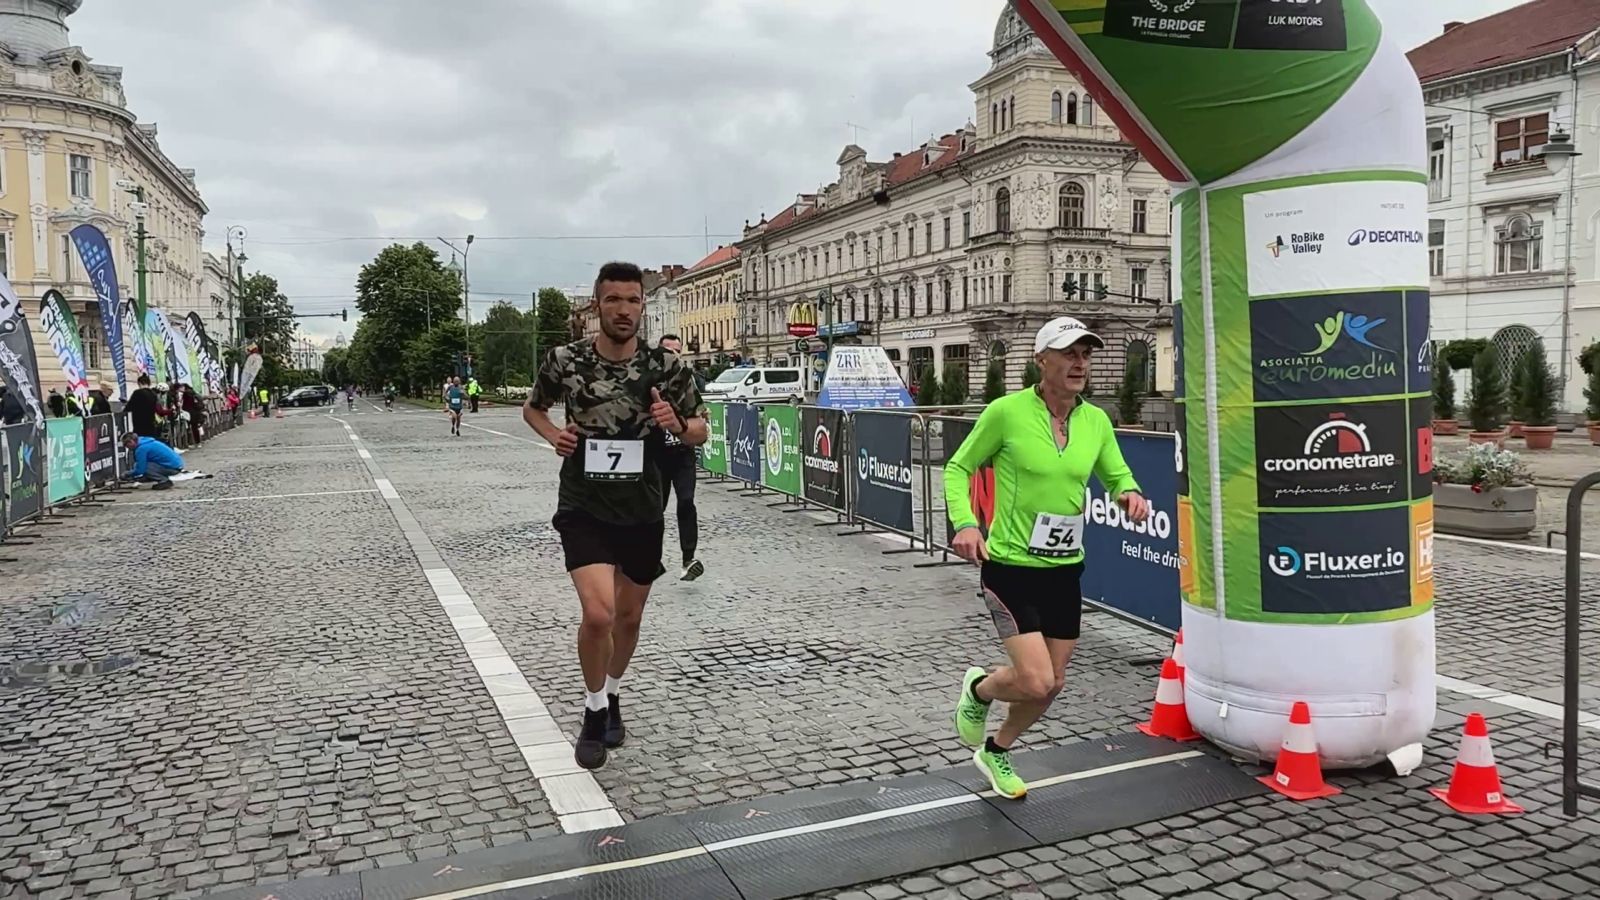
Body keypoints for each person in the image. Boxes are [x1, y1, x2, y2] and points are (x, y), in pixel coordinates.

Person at [943, 317, 1151, 800]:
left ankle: (996, 749)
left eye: (1086, 354)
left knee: (1053, 683)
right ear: (1042, 360)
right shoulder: (1006, 412)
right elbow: (958, 467)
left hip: (1064, 570)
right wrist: (966, 522)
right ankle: (979, 689)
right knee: (1035, 681)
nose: (1080, 363)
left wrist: (1129, 494)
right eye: (1069, 353)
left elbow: (1117, 475)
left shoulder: (1095, 421)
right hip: (1011, 568)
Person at [524, 261, 707, 771]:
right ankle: (593, 710)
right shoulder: (566, 360)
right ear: (597, 305)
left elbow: (700, 430)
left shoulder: (666, 366)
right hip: (583, 503)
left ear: (642, 306)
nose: (623, 310)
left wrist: (676, 424)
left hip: (643, 505)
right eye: (613, 300)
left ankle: (613, 692)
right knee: (599, 613)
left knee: (628, 617)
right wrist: (553, 436)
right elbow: (534, 408)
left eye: (632, 300)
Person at [654, 334, 707, 581]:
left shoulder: (687, 380)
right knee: (655, 508)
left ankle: (689, 558)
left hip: (682, 453)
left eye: (677, 350)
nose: (674, 354)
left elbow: (699, 413)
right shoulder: (649, 379)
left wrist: (697, 423)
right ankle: (651, 556)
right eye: (669, 350)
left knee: (686, 502)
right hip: (657, 455)